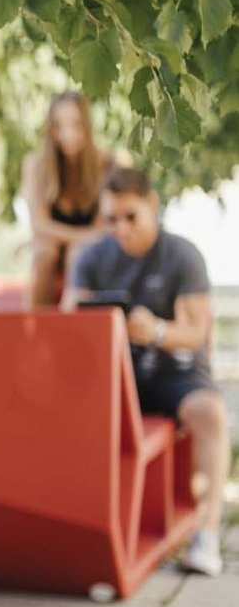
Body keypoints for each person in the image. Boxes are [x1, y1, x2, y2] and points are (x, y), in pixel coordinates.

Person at [63, 167, 230, 576]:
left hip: (176, 374)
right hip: (114, 379)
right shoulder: (92, 257)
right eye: (111, 219)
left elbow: (194, 334)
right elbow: (69, 324)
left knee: (211, 414)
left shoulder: (183, 255)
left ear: (152, 206)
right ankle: (74, 534)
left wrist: (155, 330)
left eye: (130, 217)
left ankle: (206, 537)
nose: (120, 228)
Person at [22, 91, 114, 307]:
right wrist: (83, 236)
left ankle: (69, 324)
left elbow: (103, 228)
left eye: (75, 124)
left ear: (87, 126)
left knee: (77, 253)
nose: (67, 134)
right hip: (52, 247)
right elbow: (39, 225)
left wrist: (69, 238)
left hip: (88, 249)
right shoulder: (36, 165)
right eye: (58, 126)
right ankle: (31, 328)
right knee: (44, 253)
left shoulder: (106, 164)